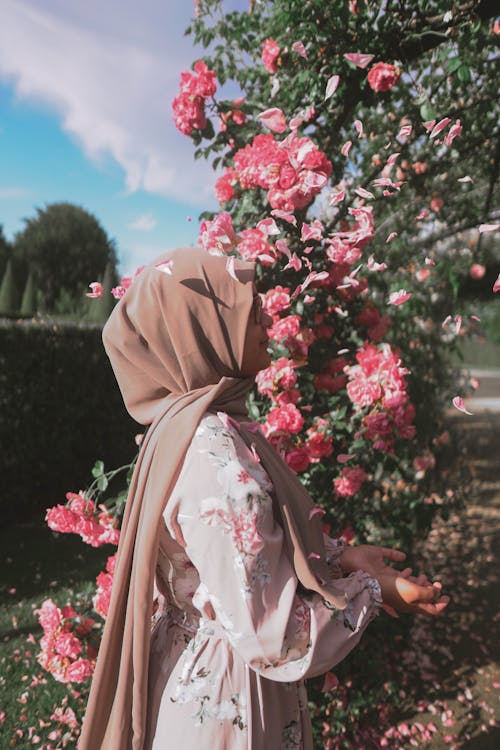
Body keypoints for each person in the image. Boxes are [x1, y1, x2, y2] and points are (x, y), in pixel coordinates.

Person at [78, 246, 449, 750]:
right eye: (250, 314)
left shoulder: (189, 428)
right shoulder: (214, 457)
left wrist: (338, 560)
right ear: (202, 332)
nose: (267, 323)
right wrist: (375, 592)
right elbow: (276, 636)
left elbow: (235, 563)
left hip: (199, 671)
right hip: (231, 702)